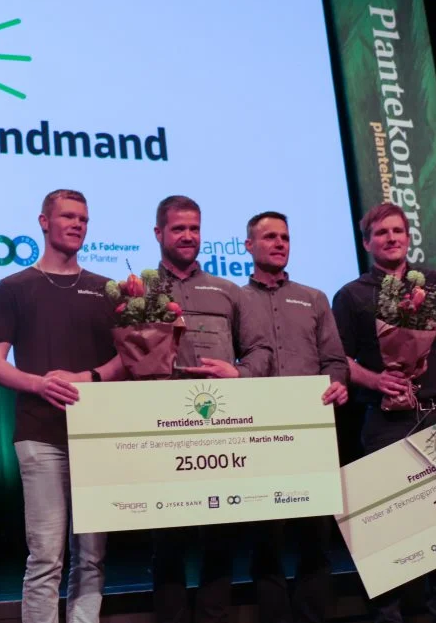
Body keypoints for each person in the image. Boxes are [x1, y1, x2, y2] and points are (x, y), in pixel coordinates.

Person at [332, 202, 436, 623]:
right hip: (384, 421)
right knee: (387, 522)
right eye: (381, 233)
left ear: (408, 235)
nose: (392, 238)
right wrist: (374, 379)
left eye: (398, 230)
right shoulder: (351, 295)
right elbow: (337, 358)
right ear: (366, 243)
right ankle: (388, 614)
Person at [0, 189, 123, 623]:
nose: (77, 224)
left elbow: (128, 357)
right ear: (44, 222)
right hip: (39, 435)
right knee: (46, 556)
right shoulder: (13, 287)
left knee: (92, 556)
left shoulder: (106, 290)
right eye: (67, 216)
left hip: (96, 437)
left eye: (83, 218)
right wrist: (39, 384)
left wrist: (91, 377)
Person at [147, 195, 275, 623]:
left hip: (221, 426)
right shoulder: (142, 290)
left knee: (220, 531)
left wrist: (238, 373)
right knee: (168, 534)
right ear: (159, 233)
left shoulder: (227, 290)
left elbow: (261, 351)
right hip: (163, 427)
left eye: (194, 228)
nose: (188, 236)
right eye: (179, 228)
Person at [241, 210, 348, 623]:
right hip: (258, 435)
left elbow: (335, 361)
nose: (279, 243)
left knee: (315, 539)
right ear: (248, 246)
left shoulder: (315, 297)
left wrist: (337, 382)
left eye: (284, 236)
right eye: (269, 237)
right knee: (266, 542)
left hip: (312, 434)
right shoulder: (236, 298)